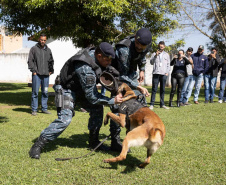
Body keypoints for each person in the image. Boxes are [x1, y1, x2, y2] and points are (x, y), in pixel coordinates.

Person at [29, 42, 124, 159]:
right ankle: (39, 144)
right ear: (99, 56)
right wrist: (112, 100)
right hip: (66, 89)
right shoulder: (85, 67)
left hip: (80, 90)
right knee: (65, 119)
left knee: (97, 108)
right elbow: (92, 97)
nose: (110, 63)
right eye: (108, 60)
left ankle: (93, 141)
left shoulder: (96, 56)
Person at [109, 28, 151, 151]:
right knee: (118, 107)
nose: (139, 47)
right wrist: (137, 86)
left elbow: (142, 57)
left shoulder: (145, 45)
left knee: (140, 103)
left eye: (142, 46)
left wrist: (142, 69)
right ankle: (115, 141)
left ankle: (138, 133)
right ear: (134, 37)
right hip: (117, 76)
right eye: (137, 44)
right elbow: (122, 75)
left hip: (131, 74)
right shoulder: (124, 49)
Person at [28, 33, 54, 116]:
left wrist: (51, 70)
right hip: (37, 74)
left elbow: (51, 61)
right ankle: (34, 110)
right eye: (41, 40)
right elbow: (30, 61)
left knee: (45, 92)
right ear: (39, 40)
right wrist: (33, 71)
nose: (43, 41)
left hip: (46, 75)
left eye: (44, 40)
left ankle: (44, 109)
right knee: (35, 92)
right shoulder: (33, 49)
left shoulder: (48, 50)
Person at [149, 41, 170, 110]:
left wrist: (167, 72)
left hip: (163, 74)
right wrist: (156, 55)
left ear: (164, 47)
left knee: (162, 90)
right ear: (158, 46)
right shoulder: (154, 54)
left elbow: (168, 65)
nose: (161, 47)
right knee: (154, 89)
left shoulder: (166, 55)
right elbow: (151, 62)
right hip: (156, 73)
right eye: (160, 46)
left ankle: (162, 104)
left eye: (162, 46)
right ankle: (152, 104)